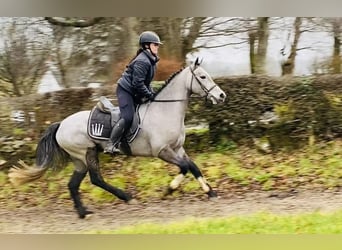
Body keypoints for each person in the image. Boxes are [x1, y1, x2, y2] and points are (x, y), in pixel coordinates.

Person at [104, 31, 162, 154]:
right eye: (155, 44)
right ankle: (110, 144)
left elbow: (146, 83)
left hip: (134, 91)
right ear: (147, 45)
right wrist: (150, 95)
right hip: (125, 91)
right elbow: (138, 84)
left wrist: (153, 94)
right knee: (128, 117)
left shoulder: (151, 61)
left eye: (158, 45)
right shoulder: (143, 61)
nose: (157, 47)